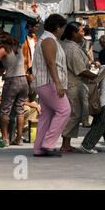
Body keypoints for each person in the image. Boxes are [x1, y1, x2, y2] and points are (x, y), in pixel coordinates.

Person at [60, 22, 102, 153]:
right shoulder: (71, 48)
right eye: (82, 31)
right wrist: (96, 77)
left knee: (75, 114)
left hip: (74, 84)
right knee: (75, 114)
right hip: (72, 85)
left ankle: (66, 143)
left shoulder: (71, 46)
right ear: (74, 33)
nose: (83, 34)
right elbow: (80, 70)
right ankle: (64, 142)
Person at [32, 14, 70, 157]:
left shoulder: (48, 39)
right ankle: (48, 144)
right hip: (48, 82)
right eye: (62, 28)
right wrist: (58, 83)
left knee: (46, 115)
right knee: (65, 110)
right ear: (58, 27)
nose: (63, 31)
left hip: (44, 82)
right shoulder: (48, 40)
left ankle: (38, 148)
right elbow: (50, 63)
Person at [0, 32, 29, 146]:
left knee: (4, 111)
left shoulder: (3, 49)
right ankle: (19, 138)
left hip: (12, 81)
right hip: (24, 80)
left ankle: (5, 138)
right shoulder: (18, 48)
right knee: (20, 110)